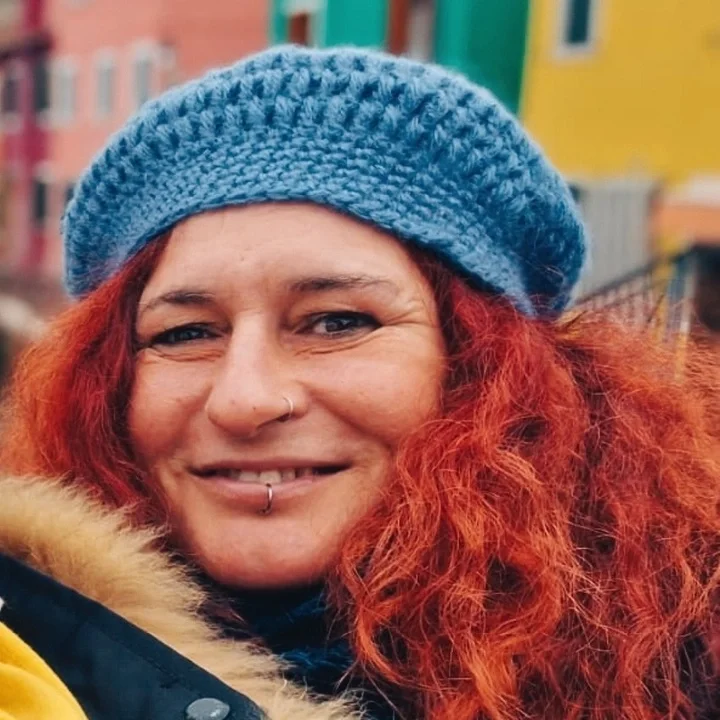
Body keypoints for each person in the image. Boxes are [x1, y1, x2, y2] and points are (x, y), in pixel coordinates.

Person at [1, 44, 719, 720]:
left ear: (489, 366)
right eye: (185, 333)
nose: (245, 399)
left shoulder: (689, 661)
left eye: (337, 321)